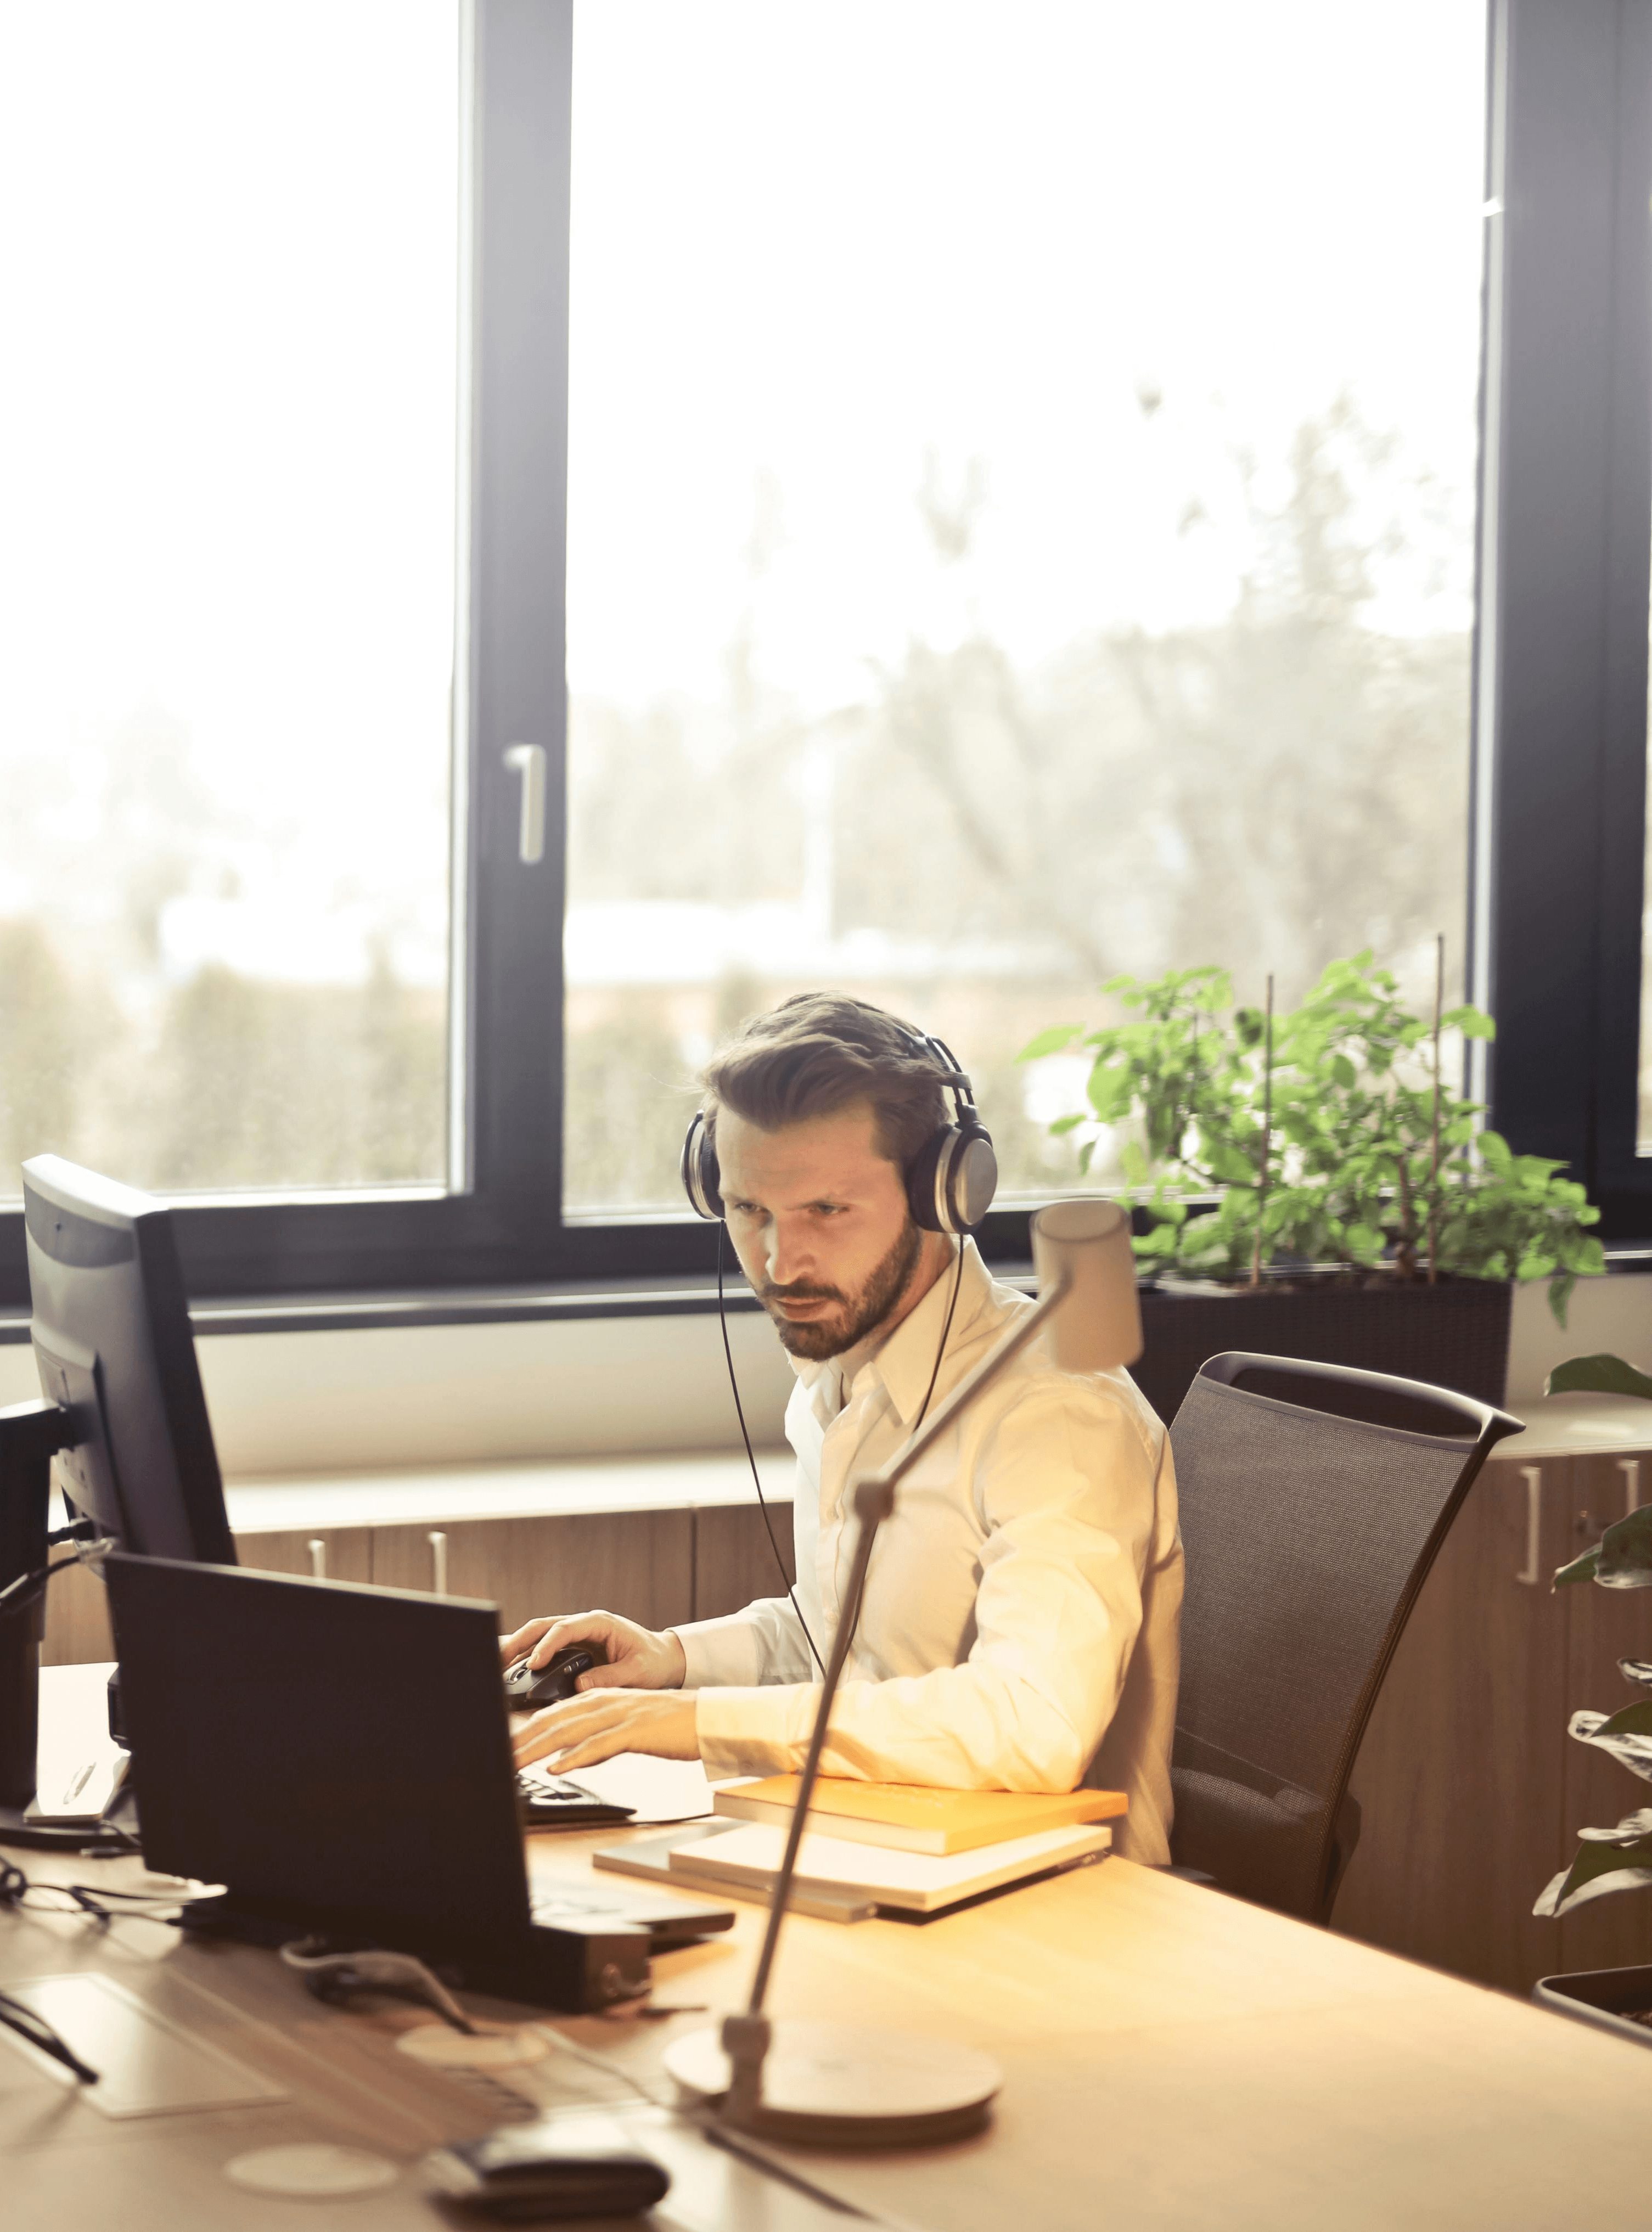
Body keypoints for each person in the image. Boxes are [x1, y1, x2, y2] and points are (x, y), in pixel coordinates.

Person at [502, 993, 1184, 1864]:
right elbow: (847, 1646)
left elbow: (1032, 1725)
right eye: (749, 1211)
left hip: (1055, 1905)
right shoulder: (839, 1377)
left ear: (943, 1192)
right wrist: (673, 1661)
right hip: (870, 1849)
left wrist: (702, 1722)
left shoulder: (1059, 1412)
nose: (781, 1265)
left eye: (826, 1211)